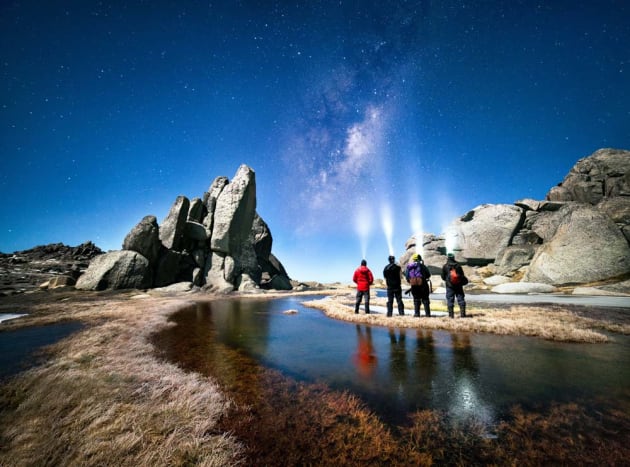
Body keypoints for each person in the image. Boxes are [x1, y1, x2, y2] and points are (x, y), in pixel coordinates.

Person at [441, 253, 468, 318]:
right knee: (461, 299)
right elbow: (462, 275)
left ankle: (451, 316)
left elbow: (443, 276)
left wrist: (448, 280)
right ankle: (463, 315)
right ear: (454, 257)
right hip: (458, 285)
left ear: (448, 258)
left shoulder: (445, 266)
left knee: (450, 299)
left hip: (449, 286)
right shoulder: (458, 265)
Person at [405, 253, 431, 317]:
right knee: (425, 299)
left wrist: (412, 282)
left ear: (413, 259)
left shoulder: (409, 267)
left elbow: (407, 277)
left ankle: (417, 314)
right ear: (420, 259)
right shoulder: (423, 266)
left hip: (414, 286)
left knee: (416, 299)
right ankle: (427, 315)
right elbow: (428, 275)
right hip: (423, 285)